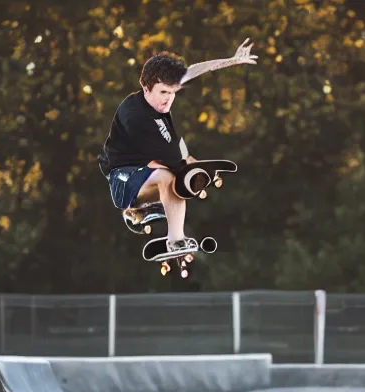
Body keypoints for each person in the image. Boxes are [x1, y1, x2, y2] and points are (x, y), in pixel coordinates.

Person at [98, 38, 258, 256]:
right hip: (121, 179)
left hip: (147, 172)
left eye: (173, 93)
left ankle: (165, 226)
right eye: (164, 92)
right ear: (146, 88)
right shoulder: (135, 116)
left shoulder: (163, 98)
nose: (169, 100)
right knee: (169, 176)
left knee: (174, 177)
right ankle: (159, 227)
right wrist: (194, 171)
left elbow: (192, 70)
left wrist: (232, 60)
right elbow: (169, 161)